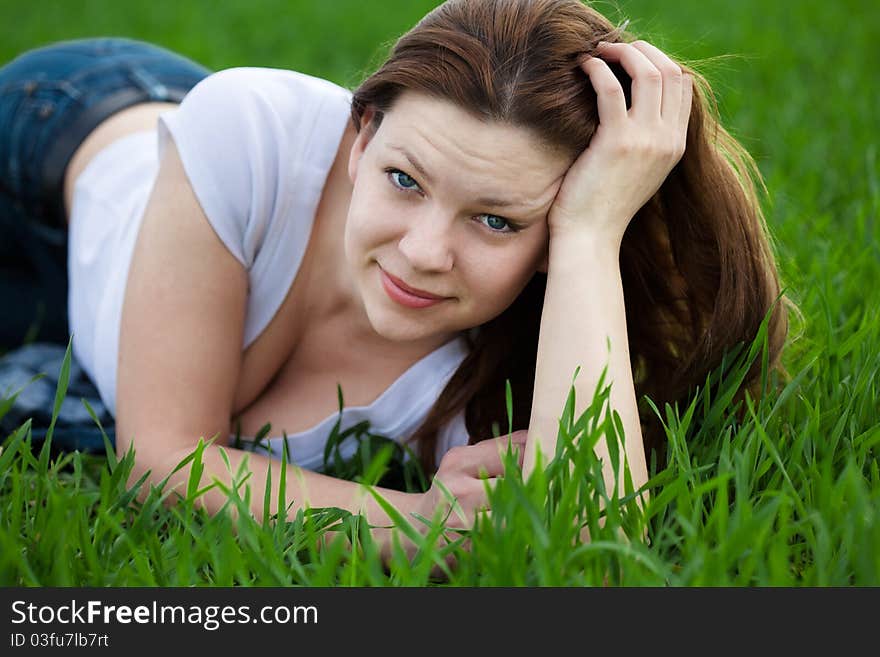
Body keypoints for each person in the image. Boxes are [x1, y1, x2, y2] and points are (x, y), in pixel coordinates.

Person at [0, 0, 791, 560]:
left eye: (496, 221)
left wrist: (590, 235)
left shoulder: (504, 360)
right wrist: (417, 521)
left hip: (92, 288)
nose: (421, 254)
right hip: (63, 140)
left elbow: (594, 541)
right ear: (359, 136)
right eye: (405, 180)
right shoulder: (244, 133)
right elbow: (161, 458)